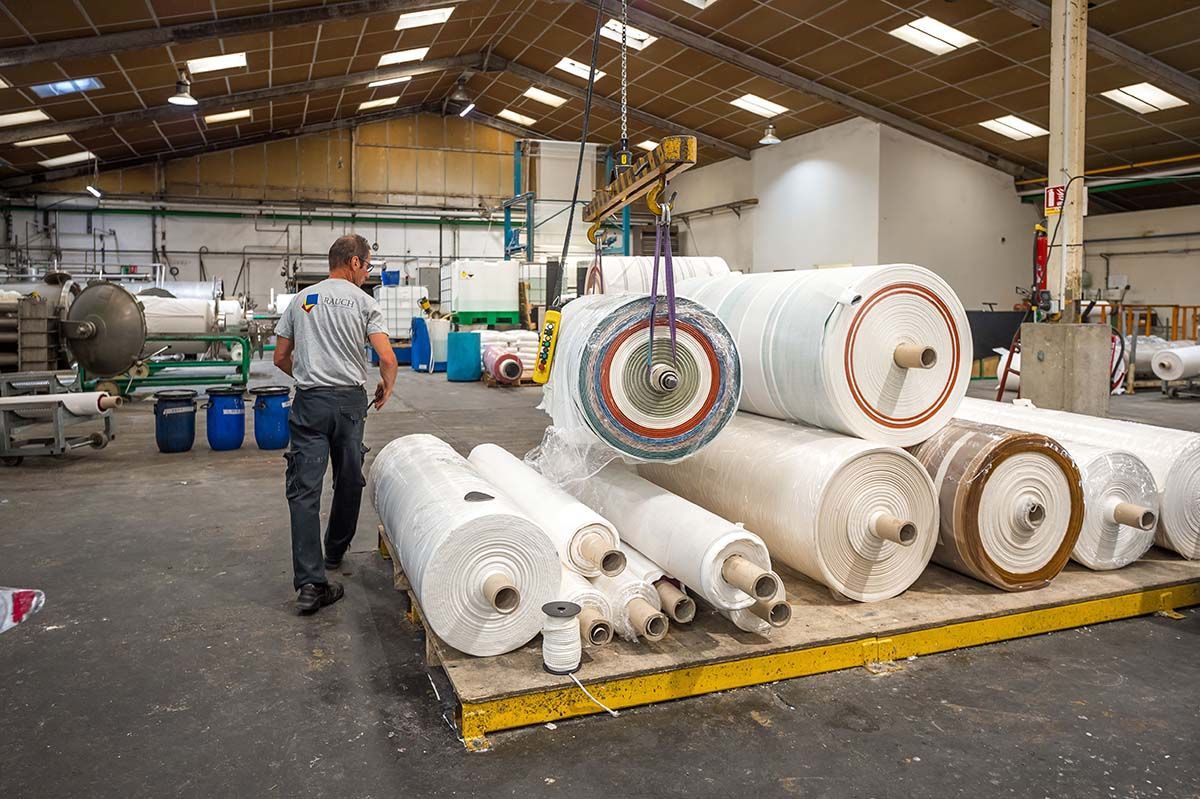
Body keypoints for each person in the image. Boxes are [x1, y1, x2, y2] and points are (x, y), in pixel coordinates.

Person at [273, 234, 398, 614]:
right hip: (348, 403)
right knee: (348, 478)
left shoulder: (302, 299)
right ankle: (336, 550)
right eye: (368, 265)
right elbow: (387, 358)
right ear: (355, 262)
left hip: (310, 403)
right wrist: (386, 386)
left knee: (303, 490)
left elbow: (280, 357)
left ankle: (311, 585)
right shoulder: (363, 302)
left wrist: (310, 375)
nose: (368, 273)